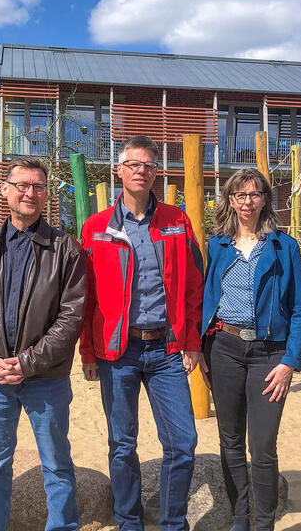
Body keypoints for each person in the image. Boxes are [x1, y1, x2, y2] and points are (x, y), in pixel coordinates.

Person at [80, 134, 205, 531]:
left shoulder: (176, 220)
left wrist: (191, 342)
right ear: (118, 170)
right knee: (122, 445)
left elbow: (193, 287)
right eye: (133, 163)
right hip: (117, 352)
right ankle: (129, 523)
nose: (140, 170)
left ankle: (171, 524)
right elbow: (84, 297)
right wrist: (87, 352)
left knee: (182, 444)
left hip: (167, 350)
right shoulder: (96, 227)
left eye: (148, 165)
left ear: (155, 173)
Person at [0, 157, 86, 531]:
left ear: (47, 194)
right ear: (5, 190)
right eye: (23, 185)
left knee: (57, 464)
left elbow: (70, 318)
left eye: (39, 186)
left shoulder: (66, 250)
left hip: (46, 379)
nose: (30, 193)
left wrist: (26, 363)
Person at [201, 168, 301, 531]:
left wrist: (290, 361)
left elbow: (300, 308)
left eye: (254, 194)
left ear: (265, 198)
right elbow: (204, 298)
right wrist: (202, 348)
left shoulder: (284, 246)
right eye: (239, 195)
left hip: (269, 354)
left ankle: (263, 524)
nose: (247, 202)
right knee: (229, 440)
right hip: (225, 348)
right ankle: (240, 520)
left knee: (262, 445)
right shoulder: (216, 245)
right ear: (230, 200)